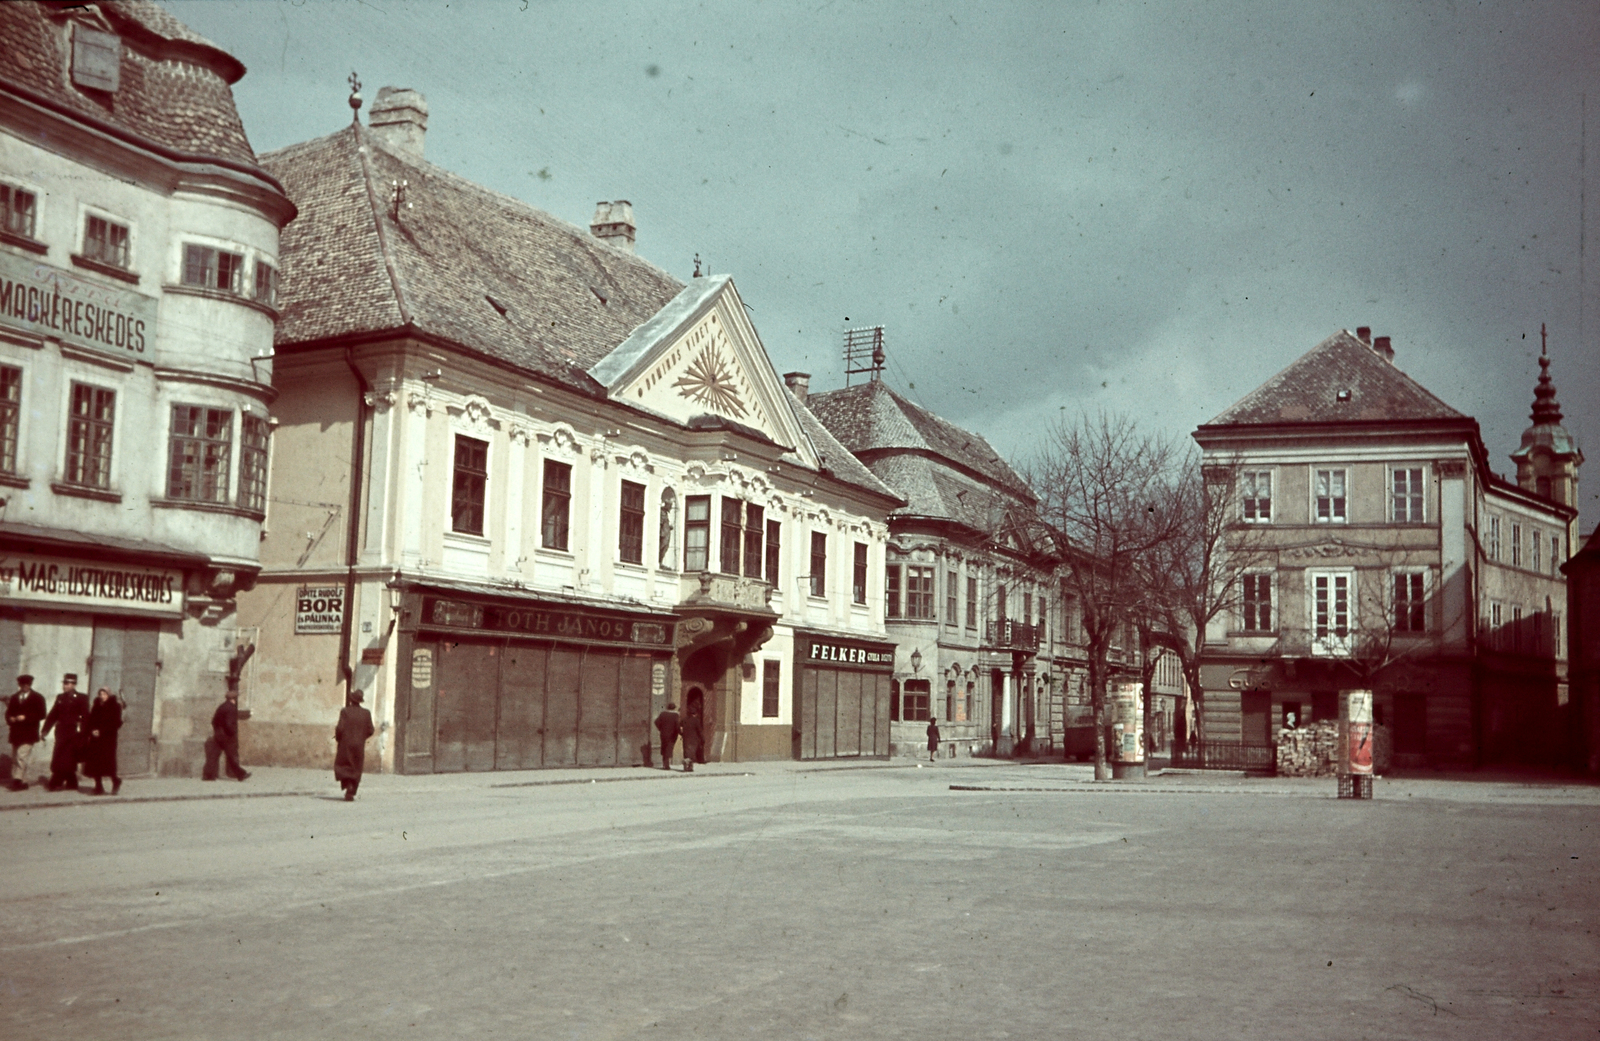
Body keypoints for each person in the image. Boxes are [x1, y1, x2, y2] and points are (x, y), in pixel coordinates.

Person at [41, 674, 89, 791]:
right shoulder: (60, 698)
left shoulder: (81, 698)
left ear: (73, 685)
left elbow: (86, 716)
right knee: (61, 755)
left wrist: (84, 733)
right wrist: (45, 730)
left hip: (73, 732)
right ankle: (72, 782)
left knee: (67, 757)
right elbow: (53, 715)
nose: (65, 686)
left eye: (67, 684)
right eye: (64, 683)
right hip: (61, 731)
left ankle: (56, 781)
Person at [6, 674, 46, 791]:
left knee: (21, 756)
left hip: (29, 733)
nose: (25, 687)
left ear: (30, 685)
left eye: (27, 685)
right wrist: (10, 719)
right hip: (16, 733)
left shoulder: (38, 698)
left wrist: (26, 717)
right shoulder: (14, 697)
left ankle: (17, 781)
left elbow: (42, 714)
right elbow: (8, 713)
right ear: (20, 685)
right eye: (23, 685)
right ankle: (22, 781)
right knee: (15, 757)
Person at [334, 690, 375, 801]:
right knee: (356, 766)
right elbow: (371, 730)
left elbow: (340, 728)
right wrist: (361, 737)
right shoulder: (366, 713)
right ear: (360, 701)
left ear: (351, 700)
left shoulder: (345, 711)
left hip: (345, 744)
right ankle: (351, 790)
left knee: (344, 764)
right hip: (359, 745)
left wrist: (339, 739)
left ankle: (347, 785)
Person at [202, 688, 250, 781]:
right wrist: (232, 732)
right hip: (227, 736)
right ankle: (241, 774)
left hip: (218, 735)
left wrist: (217, 731)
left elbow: (214, 721)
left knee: (213, 755)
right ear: (235, 699)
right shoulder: (231, 708)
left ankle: (208, 775)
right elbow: (229, 724)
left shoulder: (222, 706)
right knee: (231, 756)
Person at [84, 687, 123, 795]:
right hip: (96, 739)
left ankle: (115, 781)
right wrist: (92, 730)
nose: (102, 696)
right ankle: (98, 786)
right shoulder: (96, 706)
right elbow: (90, 720)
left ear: (109, 695)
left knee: (108, 762)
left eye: (104, 694)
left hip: (108, 739)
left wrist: (102, 731)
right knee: (95, 762)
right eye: (100, 694)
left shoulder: (115, 706)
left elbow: (116, 723)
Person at [653, 702, 680, 771]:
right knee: (669, 748)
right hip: (672, 734)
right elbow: (677, 725)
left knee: (664, 747)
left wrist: (661, 729)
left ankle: (664, 763)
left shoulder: (663, 714)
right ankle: (667, 764)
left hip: (663, 734)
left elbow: (656, 722)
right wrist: (679, 732)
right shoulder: (675, 715)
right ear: (674, 708)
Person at [678, 699, 703, 773]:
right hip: (694, 739)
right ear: (695, 713)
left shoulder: (684, 719)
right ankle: (690, 767)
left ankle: (686, 766)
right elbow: (699, 730)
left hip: (686, 738)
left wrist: (681, 733)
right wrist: (702, 738)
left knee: (686, 752)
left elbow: (679, 727)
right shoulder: (696, 720)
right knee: (692, 753)